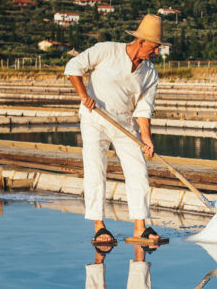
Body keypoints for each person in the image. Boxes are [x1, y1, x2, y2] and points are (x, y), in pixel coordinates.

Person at [64, 14, 170, 248]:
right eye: (153, 48)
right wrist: (84, 95)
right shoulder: (107, 50)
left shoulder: (150, 73)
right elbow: (73, 67)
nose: (155, 53)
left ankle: (140, 227)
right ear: (140, 42)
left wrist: (146, 138)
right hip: (95, 118)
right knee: (95, 170)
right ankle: (99, 226)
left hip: (125, 124)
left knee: (138, 172)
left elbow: (143, 107)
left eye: (158, 49)